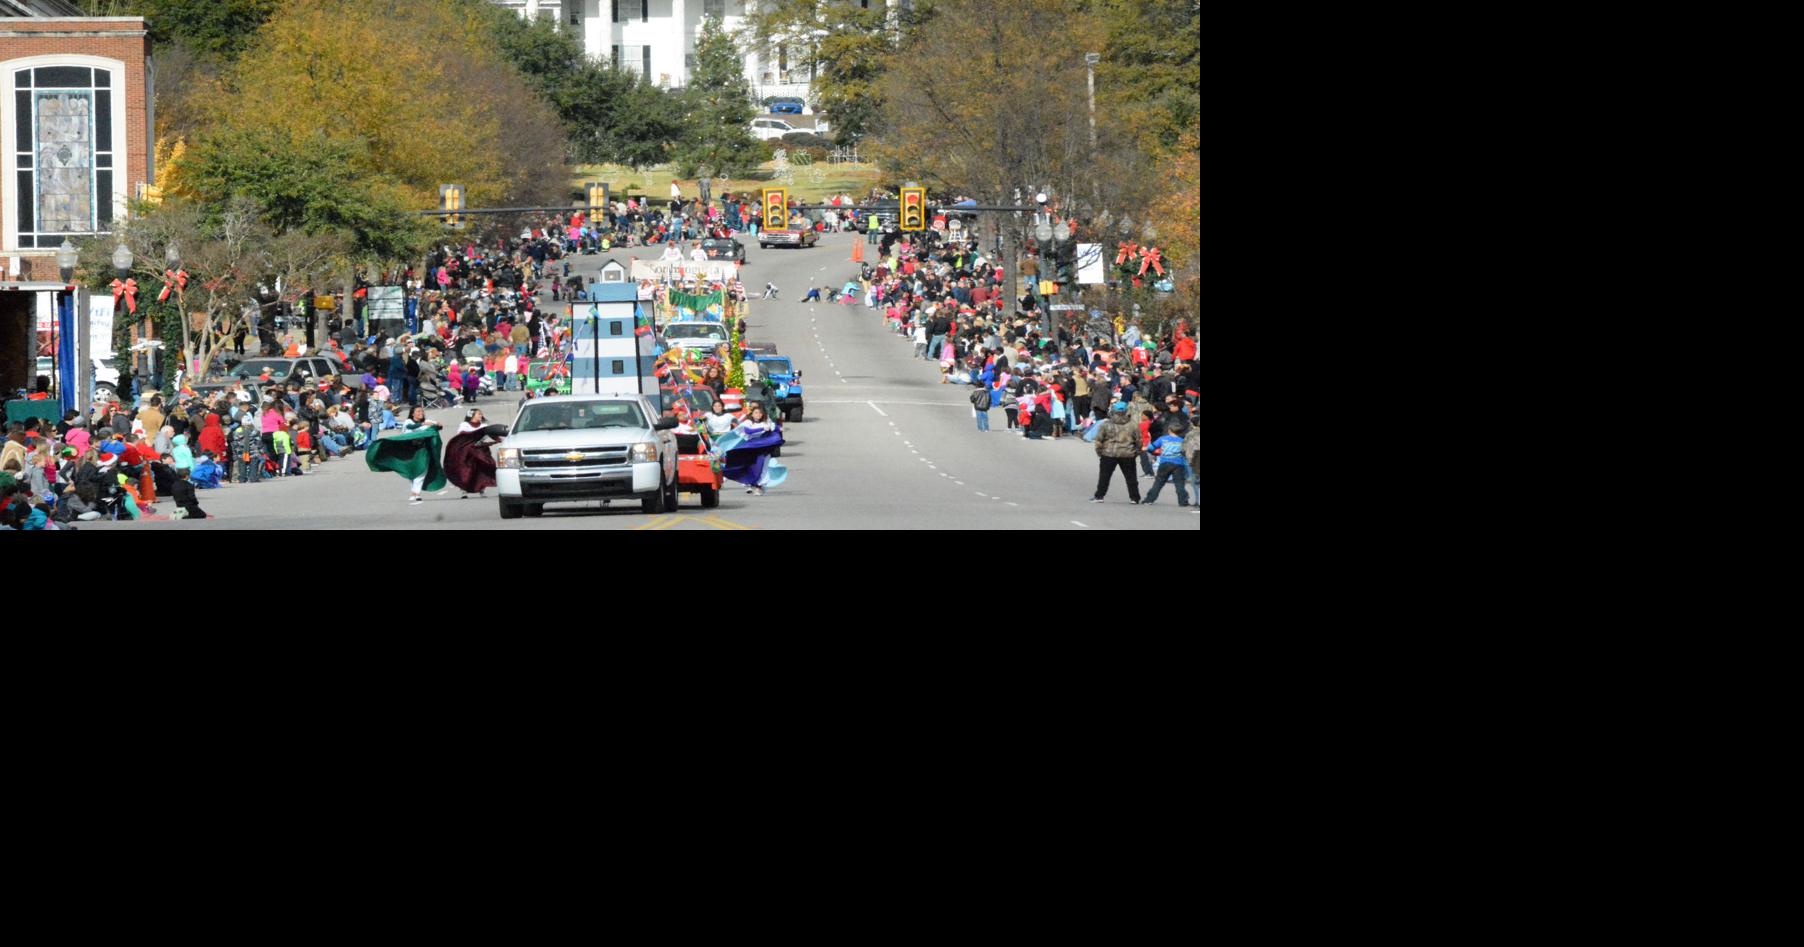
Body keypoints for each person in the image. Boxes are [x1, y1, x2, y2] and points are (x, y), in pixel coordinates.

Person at [1090, 402, 1143, 505]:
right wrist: (1136, 452)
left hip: (1109, 453)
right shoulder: (1132, 425)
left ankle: (1099, 496)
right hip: (1128, 454)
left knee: (1104, 476)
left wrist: (1100, 452)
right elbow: (1139, 441)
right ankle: (1135, 498)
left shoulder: (1106, 424)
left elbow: (1099, 440)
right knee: (1131, 477)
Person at [443, 408, 501, 500]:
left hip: (481, 450)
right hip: (467, 451)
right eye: (478, 414)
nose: (480, 416)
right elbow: (462, 436)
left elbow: (491, 434)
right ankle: (463, 490)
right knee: (466, 470)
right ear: (471, 415)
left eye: (481, 414)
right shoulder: (464, 425)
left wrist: (497, 439)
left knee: (484, 468)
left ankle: (482, 488)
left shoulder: (484, 426)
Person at [1140, 420, 1192, 507]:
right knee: (1179, 483)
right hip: (1179, 464)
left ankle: (1149, 499)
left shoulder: (1163, 439)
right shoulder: (1182, 441)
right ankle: (1183, 501)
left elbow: (1151, 447)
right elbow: (1186, 452)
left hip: (1165, 463)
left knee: (1159, 482)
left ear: (1169, 430)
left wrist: (1153, 451)